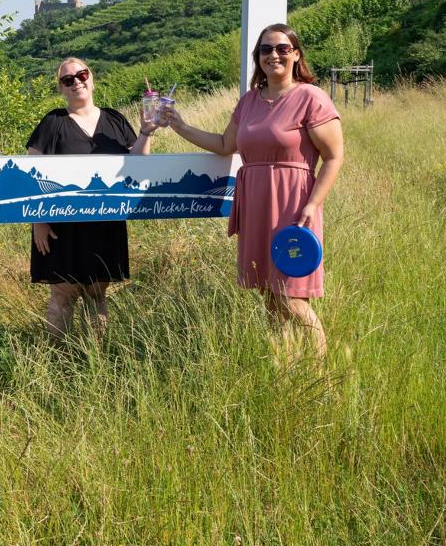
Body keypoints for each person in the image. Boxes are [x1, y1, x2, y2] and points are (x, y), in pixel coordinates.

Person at [162, 24, 344, 360]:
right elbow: (224, 144)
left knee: (292, 296)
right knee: (268, 294)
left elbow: (334, 157)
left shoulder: (311, 98)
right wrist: (179, 124)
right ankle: (284, 367)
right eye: (265, 50)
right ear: (257, 58)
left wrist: (312, 204)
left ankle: (323, 373)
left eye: (281, 48)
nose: (273, 55)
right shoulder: (248, 102)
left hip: (294, 203)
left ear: (296, 55)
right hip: (255, 201)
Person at [26, 57, 158, 339]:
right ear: (61, 89)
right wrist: (38, 221)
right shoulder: (53, 122)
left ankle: (97, 360)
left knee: (97, 294)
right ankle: (56, 359)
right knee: (63, 295)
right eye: (67, 80)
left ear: (92, 78)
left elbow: (138, 164)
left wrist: (146, 131)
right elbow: (31, 173)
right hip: (60, 226)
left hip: (106, 222)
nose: (76, 82)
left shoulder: (115, 120)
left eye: (81, 75)